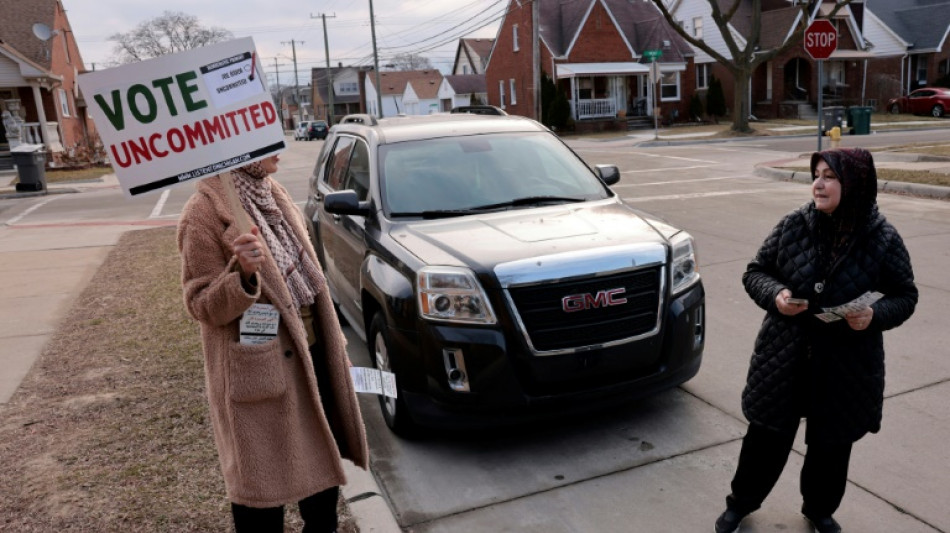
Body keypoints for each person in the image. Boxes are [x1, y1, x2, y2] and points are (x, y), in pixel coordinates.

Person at [714, 148, 918, 533]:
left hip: (846, 362)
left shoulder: (883, 238)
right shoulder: (794, 224)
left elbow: (905, 295)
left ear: (854, 183)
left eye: (829, 177)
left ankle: (819, 509)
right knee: (765, 437)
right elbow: (755, 272)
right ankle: (740, 503)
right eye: (816, 175)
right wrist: (776, 296)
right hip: (785, 354)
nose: (818, 184)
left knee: (832, 444)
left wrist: (874, 316)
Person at [177, 155, 368, 532]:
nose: (279, 148)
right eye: (268, 140)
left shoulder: (274, 194)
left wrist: (337, 348)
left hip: (311, 360)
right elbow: (200, 304)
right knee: (261, 507)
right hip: (258, 370)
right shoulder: (202, 213)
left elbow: (314, 289)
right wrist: (242, 274)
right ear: (240, 150)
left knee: (321, 502)